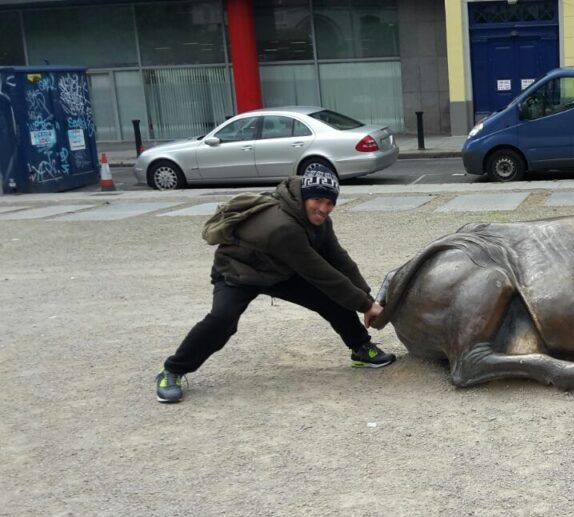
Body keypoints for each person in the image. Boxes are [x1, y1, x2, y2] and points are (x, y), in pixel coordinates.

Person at [154, 170, 395, 403]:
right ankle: (172, 371)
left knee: (331, 297)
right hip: (240, 271)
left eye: (329, 202)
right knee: (222, 320)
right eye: (317, 200)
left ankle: (360, 348)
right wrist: (365, 305)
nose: (323, 209)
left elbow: (339, 258)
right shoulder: (283, 227)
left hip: (280, 269)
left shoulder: (319, 220)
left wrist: (366, 297)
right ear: (304, 197)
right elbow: (322, 274)